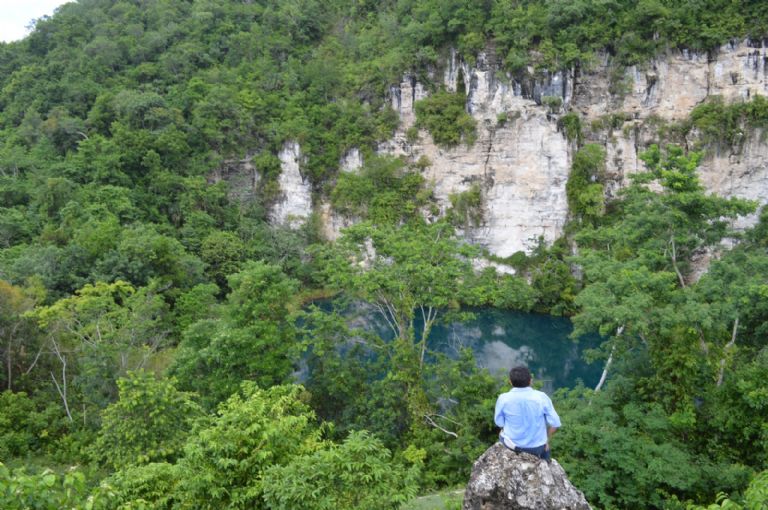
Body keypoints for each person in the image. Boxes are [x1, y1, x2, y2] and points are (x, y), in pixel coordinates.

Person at [494, 365, 560, 462]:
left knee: (502, 434)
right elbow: (555, 424)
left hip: (512, 446)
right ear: (530, 381)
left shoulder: (503, 398)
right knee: (545, 453)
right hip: (537, 448)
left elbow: (499, 423)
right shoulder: (541, 397)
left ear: (510, 382)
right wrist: (546, 440)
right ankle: (545, 464)